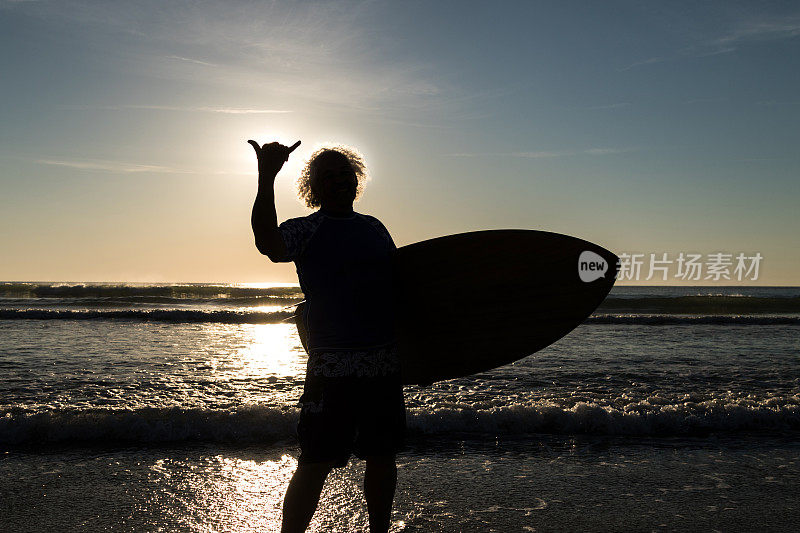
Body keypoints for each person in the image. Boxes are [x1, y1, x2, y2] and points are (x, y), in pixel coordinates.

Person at [247, 139, 405, 533]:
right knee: (315, 462)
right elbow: (267, 241)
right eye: (327, 176)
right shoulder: (308, 230)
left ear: (357, 181)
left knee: (382, 456)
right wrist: (267, 176)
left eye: (345, 174)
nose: (338, 181)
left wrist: (431, 356)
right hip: (332, 370)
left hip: (382, 364)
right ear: (312, 189)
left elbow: (401, 294)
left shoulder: (374, 229)